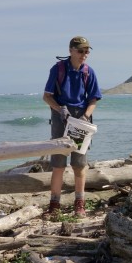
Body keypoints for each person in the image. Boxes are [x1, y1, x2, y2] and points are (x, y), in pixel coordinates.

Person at [43, 36, 102, 217]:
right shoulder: (58, 69)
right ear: (71, 51)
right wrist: (60, 109)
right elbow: (47, 96)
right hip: (61, 117)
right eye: (80, 51)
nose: (84, 54)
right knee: (59, 164)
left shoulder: (88, 72)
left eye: (87, 51)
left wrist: (85, 116)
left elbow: (93, 99)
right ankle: (54, 205)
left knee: (79, 163)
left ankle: (80, 204)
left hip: (80, 120)